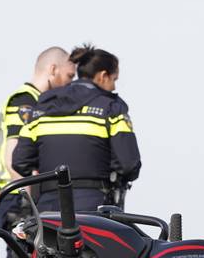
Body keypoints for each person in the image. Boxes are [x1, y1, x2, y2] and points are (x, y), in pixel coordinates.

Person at [12, 44, 141, 212]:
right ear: (103, 76)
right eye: (114, 80)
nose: (114, 87)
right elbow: (129, 164)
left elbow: (20, 162)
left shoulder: (42, 106)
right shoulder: (112, 108)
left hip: (47, 212)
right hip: (95, 210)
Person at [0, 46, 75, 228]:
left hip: (20, 195)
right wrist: (28, 205)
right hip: (17, 197)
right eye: (69, 76)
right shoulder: (25, 101)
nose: (70, 84)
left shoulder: (37, 101)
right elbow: (13, 159)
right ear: (53, 69)